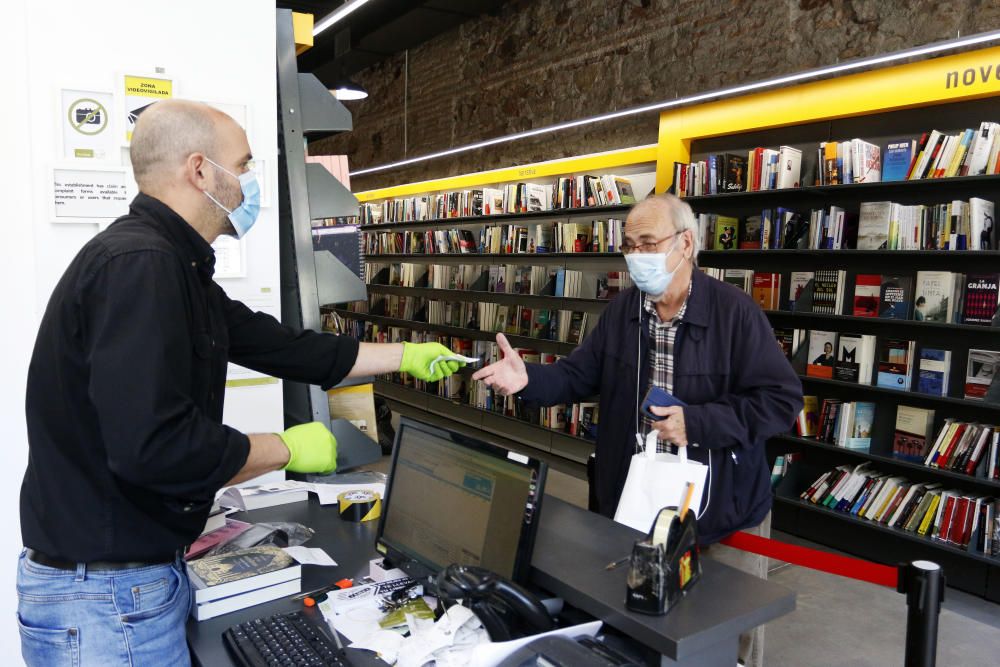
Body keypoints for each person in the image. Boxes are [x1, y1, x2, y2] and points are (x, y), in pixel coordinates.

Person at [17, 100, 463, 667]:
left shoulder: (177, 266)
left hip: (126, 585)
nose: (250, 182)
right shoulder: (140, 266)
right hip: (107, 600)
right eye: (245, 164)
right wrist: (284, 449)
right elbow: (153, 446)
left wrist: (404, 354)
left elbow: (276, 344)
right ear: (201, 170)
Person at [473, 193, 802, 667]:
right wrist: (527, 379)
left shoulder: (735, 314)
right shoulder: (625, 313)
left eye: (648, 242)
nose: (636, 256)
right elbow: (578, 375)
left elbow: (780, 401)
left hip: (719, 508)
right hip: (638, 498)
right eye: (629, 245)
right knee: (642, 628)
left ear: (685, 244)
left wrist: (700, 423)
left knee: (726, 638)